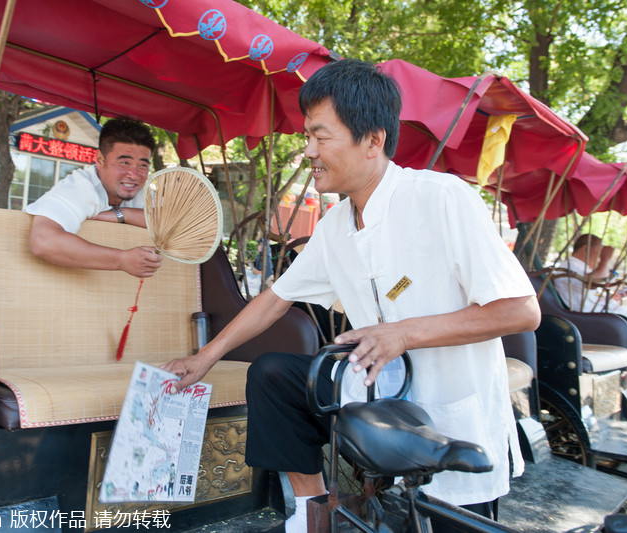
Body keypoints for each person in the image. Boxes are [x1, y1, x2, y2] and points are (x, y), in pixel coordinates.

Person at [162, 59, 541, 533]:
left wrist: (403, 333)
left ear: (373, 141)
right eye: (307, 136)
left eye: (321, 137)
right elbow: (275, 299)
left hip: (449, 411)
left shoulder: (443, 198)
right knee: (274, 375)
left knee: (448, 520)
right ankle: (311, 513)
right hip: (374, 398)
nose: (308, 151)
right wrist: (205, 357)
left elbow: (521, 311)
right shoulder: (335, 226)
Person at [25, 116, 162, 278]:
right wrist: (122, 260)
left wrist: (121, 214)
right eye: (124, 163)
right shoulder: (80, 187)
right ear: (100, 160)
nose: (134, 174)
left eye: (143, 165)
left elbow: (177, 224)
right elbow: (43, 241)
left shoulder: (141, 191)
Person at [554, 234, 627, 348]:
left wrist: (613, 298)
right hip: (604, 324)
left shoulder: (581, 269)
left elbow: (589, 295)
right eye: (600, 251)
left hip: (617, 320)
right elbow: (595, 282)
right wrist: (605, 259)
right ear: (586, 249)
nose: (601, 255)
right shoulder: (570, 267)